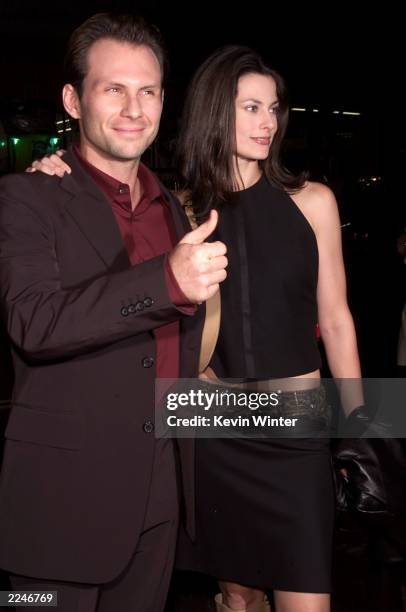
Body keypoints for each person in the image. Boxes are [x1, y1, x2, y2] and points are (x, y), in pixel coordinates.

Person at [29, 45, 363, 612]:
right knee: (236, 595)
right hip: (212, 426)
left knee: (307, 598)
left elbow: (335, 320)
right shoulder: (176, 208)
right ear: (214, 112)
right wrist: (53, 169)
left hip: (297, 428)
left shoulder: (313, 202)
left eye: (274, 108)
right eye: (251, 107)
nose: (268, 123)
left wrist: (360, 426)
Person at [0, 13, 227, 612]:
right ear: (73, 100)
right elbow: (34, 323)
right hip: (60, 505)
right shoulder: (27, 196)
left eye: (148, 91)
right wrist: (166, 281)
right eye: (114, 88)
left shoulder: (174, 213)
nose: (134, 108)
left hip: (158, 498)